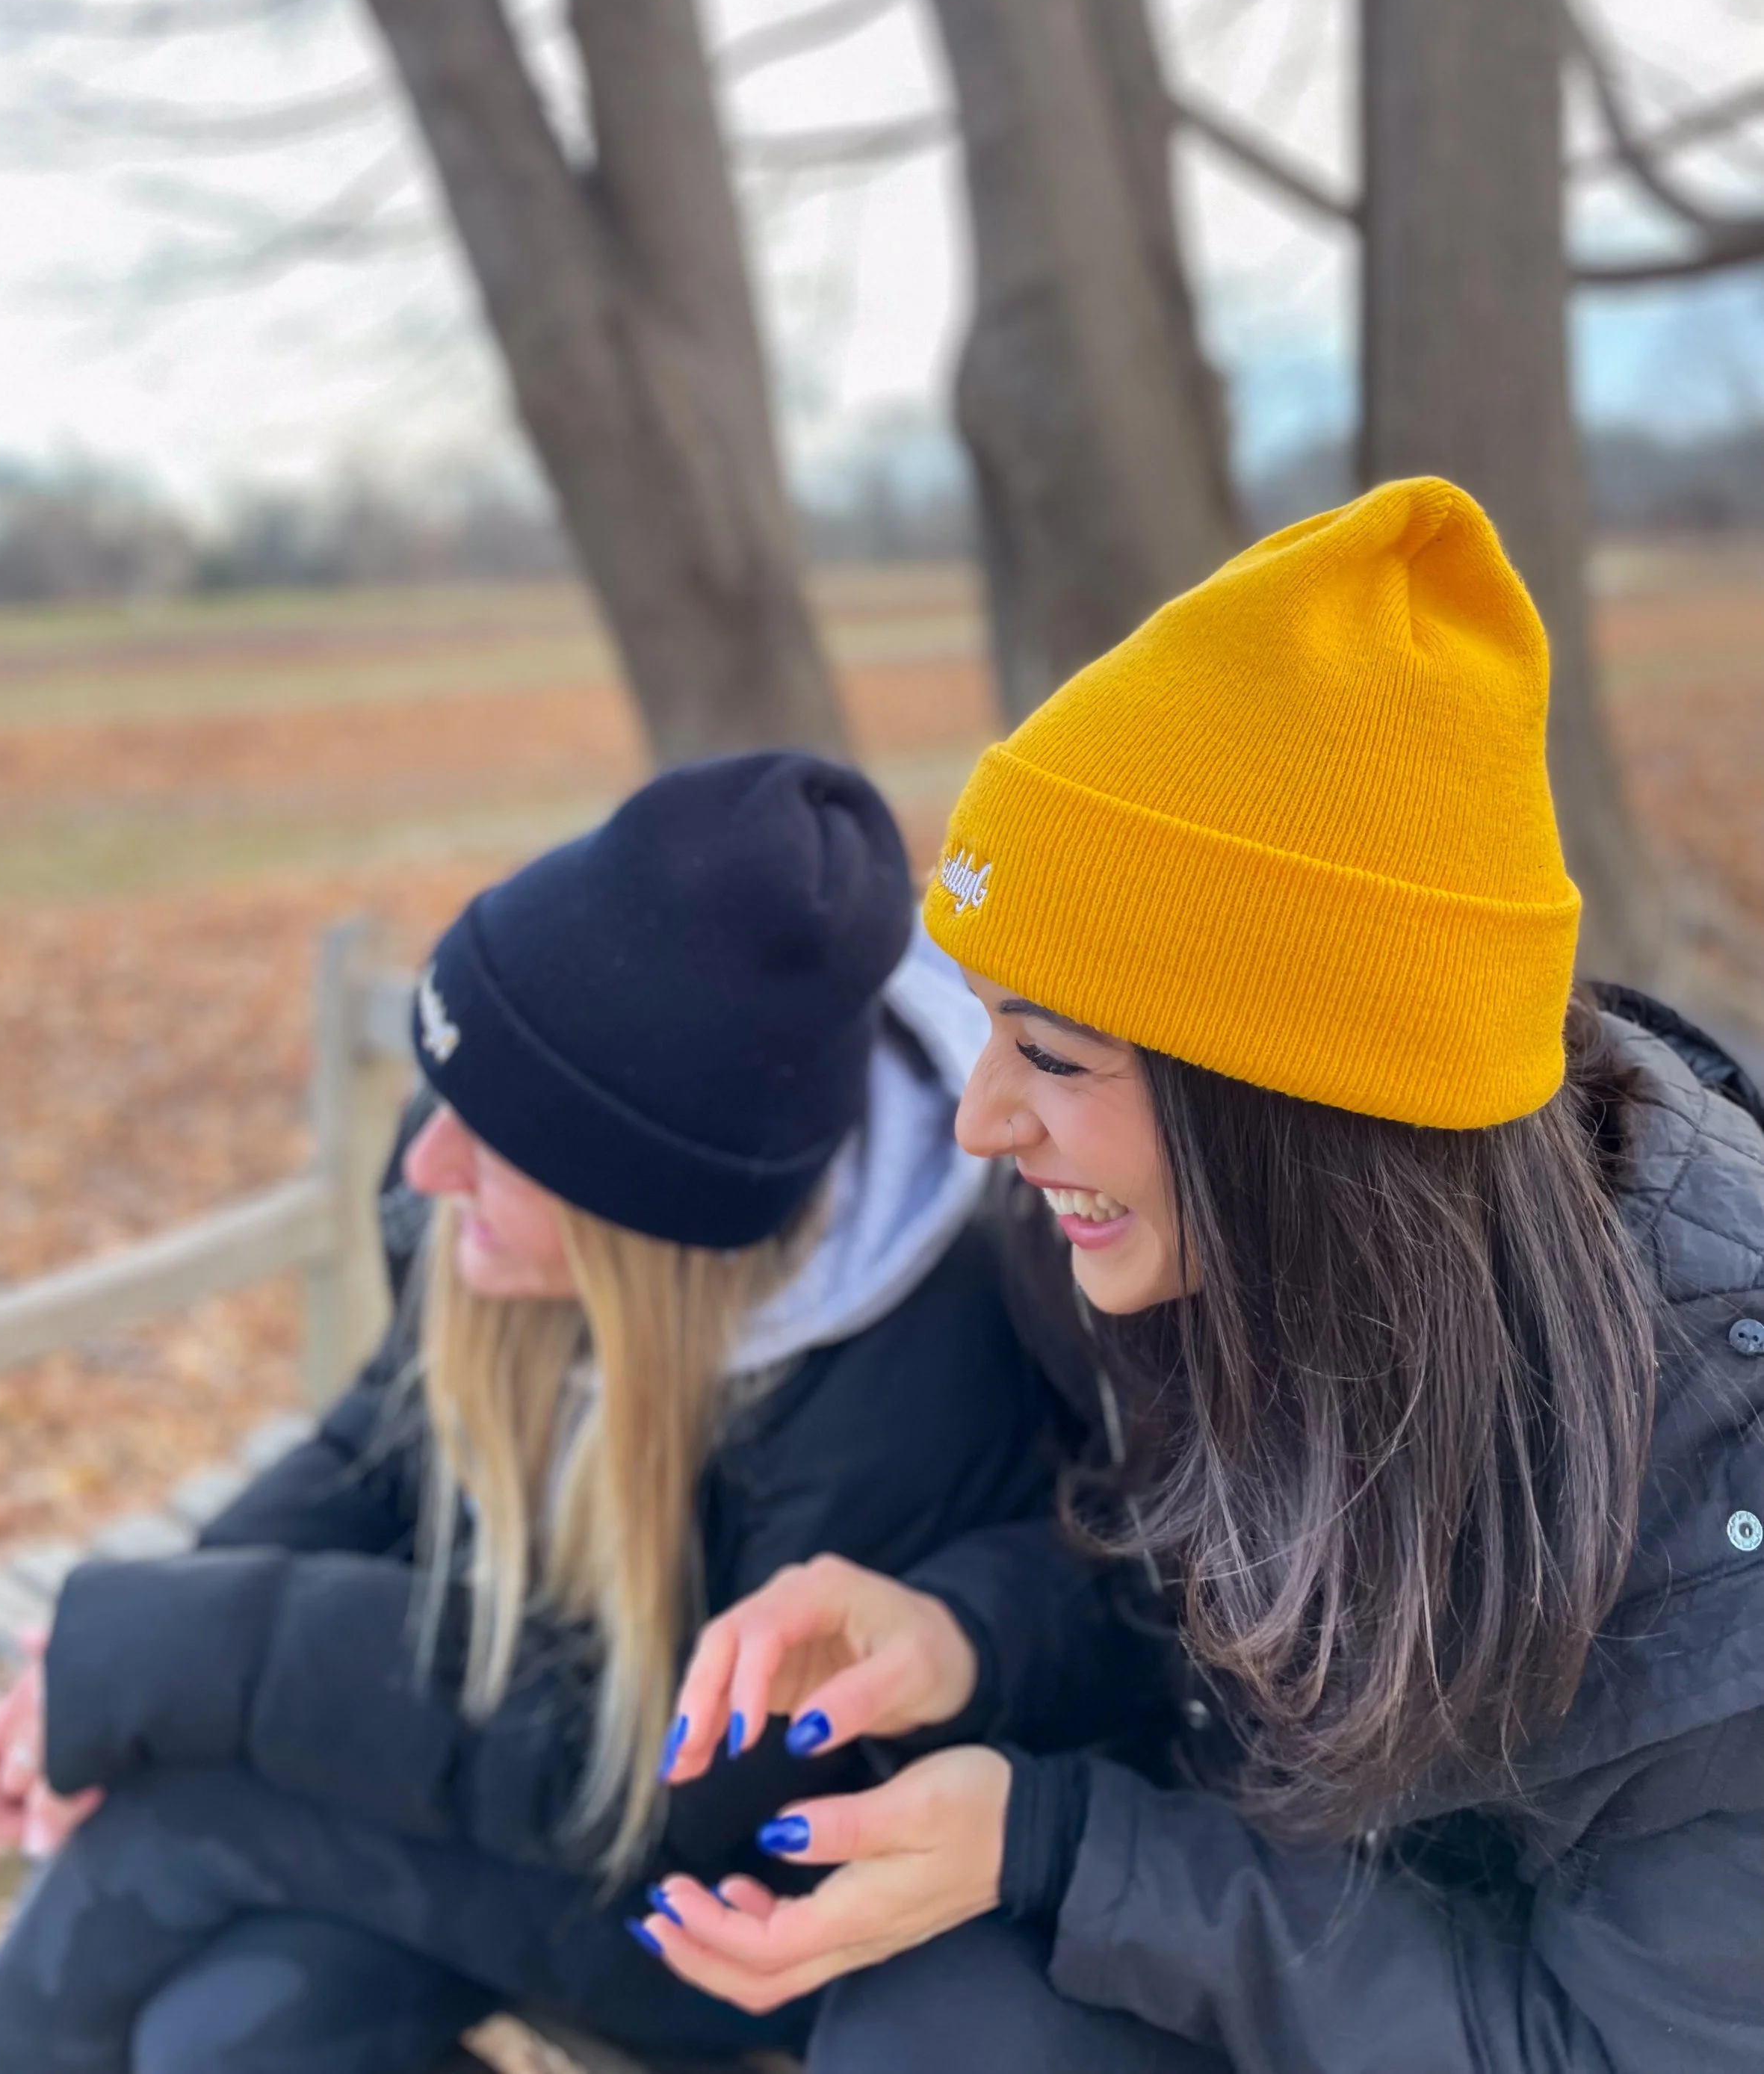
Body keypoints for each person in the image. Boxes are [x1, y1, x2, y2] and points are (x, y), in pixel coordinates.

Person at [636, 480, 1764, 2073]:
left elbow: (1595, 2049)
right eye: (985, 1030)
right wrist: (971, 1633)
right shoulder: (1220, 1256)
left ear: (1292, 1118)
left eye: (1048, 1052)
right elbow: (1235, 1595)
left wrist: (1069, 1847)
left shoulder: (1722, 1510)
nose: (978, 1121)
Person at [0, 751, 1063, 2073]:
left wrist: (185, 1660)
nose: (423, 1164)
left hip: (726, 1903)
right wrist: (88, 1674)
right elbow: (383, 1451)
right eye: (445, 1096)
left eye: (497, 1154)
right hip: (506, 1782)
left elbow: (675, 1790)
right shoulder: (489, 1150)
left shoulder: (903, 1384)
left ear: (652, 1232)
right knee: (228, 2038)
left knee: (180, 1836)